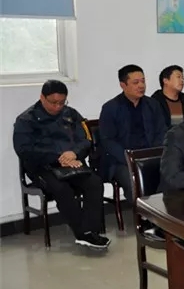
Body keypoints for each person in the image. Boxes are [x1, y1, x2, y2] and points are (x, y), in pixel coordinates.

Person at [13, 80, 111, 250]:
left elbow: (86, 139)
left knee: (94, 183)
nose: (57, 107)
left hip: (71, 163)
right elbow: (24, 150)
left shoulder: (71, 114)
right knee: (62, 189)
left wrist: (74, 153)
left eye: (62, 102)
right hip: (43, 167)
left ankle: (91, 231)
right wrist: (57, 158)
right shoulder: (26, 120)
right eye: (53, 102)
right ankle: (83, 233)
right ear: (42, 98)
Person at [99, 65, 167, 202]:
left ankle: (161, 213)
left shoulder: (152, 105)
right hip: (122, 161)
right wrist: (129, 159)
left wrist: (152, 156)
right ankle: (142, 214)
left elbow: (161, 132)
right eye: (136, 82)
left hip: (150, 158)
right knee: (135, 183)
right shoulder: (110, 108)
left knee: (170, 176)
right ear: (123, 85)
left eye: (143, 81)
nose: (141, 86)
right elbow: (108, 141)